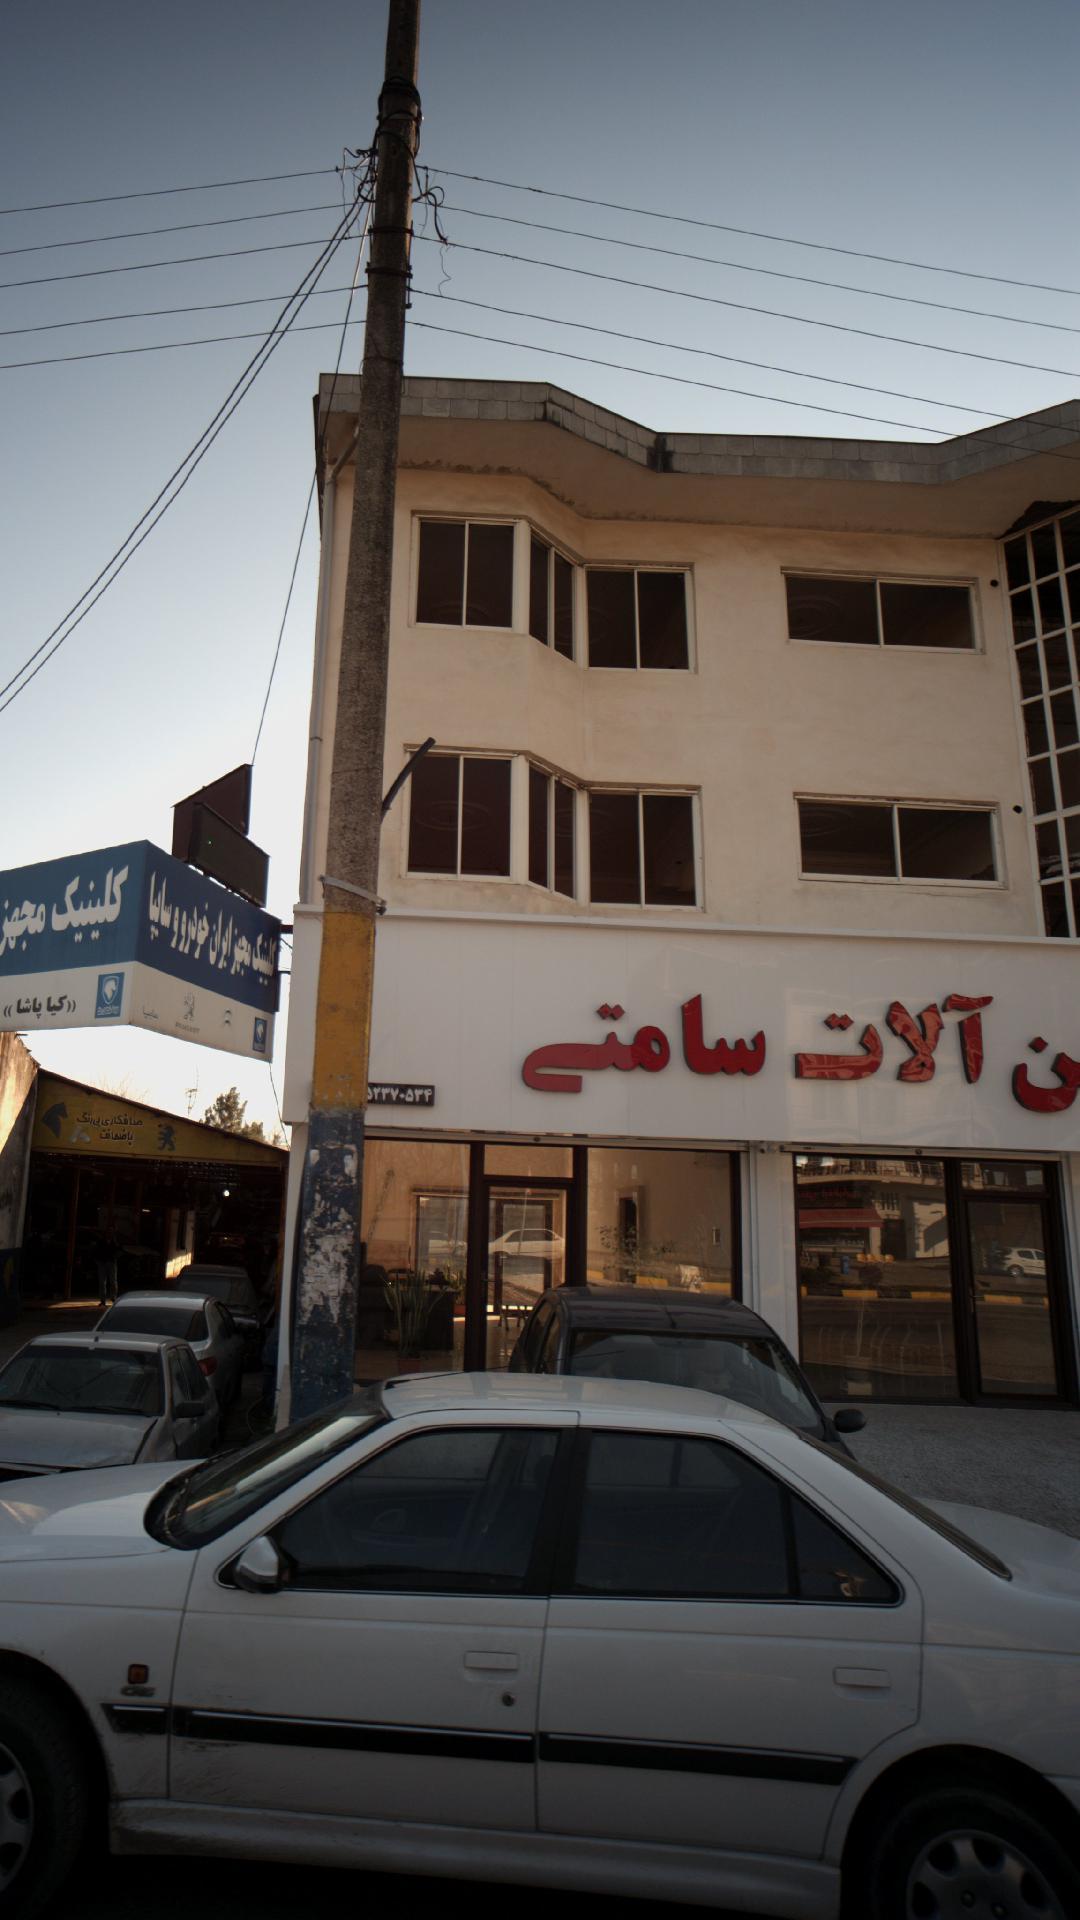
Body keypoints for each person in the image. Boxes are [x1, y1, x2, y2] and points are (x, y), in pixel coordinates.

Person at [95, 1228, 118, 1307]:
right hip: (102, 1263)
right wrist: (98, 1261)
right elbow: (96, 1251)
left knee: (113, 1282)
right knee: (102, 1282)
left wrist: (114, 1259)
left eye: (111, 1233)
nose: (109, 1234)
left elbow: (118, 1251)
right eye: (108, 1232)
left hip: (111, 1263)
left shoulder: (114, 1242)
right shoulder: (100, 1241)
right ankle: (103, 1300)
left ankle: (113, 1298)